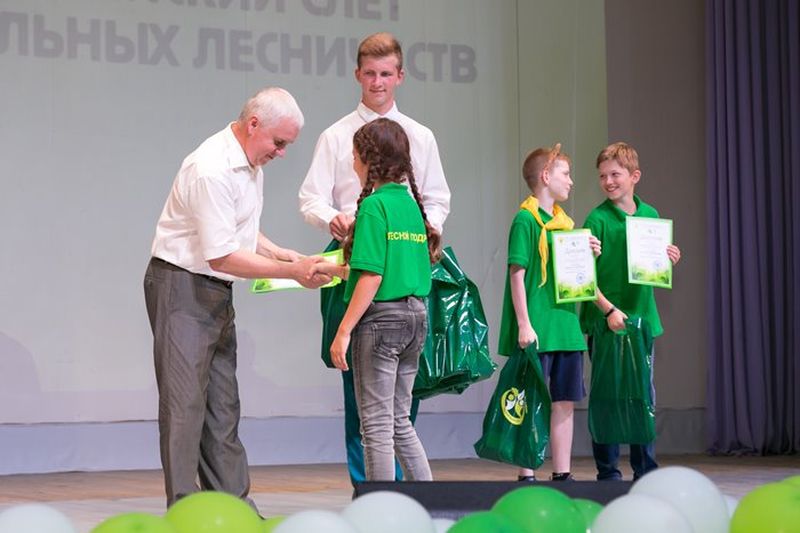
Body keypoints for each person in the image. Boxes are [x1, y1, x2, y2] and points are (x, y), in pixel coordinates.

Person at [144, 87, 330, 508]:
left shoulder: (249, 163)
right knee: (185, 407)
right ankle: (186, 512)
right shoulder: (210, 168)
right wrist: (293, 272)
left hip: (215, 290)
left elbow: (235, 228)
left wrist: (279, 252)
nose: (281, 153)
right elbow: (222, 254)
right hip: (181, 286)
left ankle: (234, 510)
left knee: (223, 407)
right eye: (278, 142)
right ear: (253, 125)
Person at [298, 32, 450, 485]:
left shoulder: (420, 135)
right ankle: (367, 488)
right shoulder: (335, 135)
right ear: (357, 75)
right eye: (370, 73)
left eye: (386, 73)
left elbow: (437, 199)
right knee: (359, 388)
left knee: (393, 401)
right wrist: (333, 219)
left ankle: (393, 495)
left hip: (402, 261)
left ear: (400, 76)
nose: (378, 82)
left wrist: (424, 232)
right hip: (353, 251)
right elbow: (311, 198)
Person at [316, 117, 440, 481]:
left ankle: (382, 507)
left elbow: (372, 277)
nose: (352, 163)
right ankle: (430, 503)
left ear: (369, 160)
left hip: (381, 324)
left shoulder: (373, 207)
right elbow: (389, 267)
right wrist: (335, 270)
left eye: (355, 156)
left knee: (375, 426)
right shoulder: (411, 207)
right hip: (415, 318)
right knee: (400, 422)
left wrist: (343, 331)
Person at [497, 143, 600, 482]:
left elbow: (573, 278)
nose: (571, 181)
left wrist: (588, 254)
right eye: (565, 174)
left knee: (565, 401)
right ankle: (527, 472)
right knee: (528, 401)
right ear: (545, 176)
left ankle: (562, 473)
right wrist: (523, 324)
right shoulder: (525, 220)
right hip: (538, 327)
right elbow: (517, 273)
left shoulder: (566, 225)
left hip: (565, 326)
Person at [579, 141, 681, 481]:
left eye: (615, 175)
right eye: (602, 176)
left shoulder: (650, 216)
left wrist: (667, 260)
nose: (608, 182)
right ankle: (607, 470)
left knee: (642, 395)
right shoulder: (596, 219)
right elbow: (582, 277)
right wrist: (608, 311)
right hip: (605, 321)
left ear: (634, 176)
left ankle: (645, 469)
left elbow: (651, 268)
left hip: (641, 321)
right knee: (607, 395)